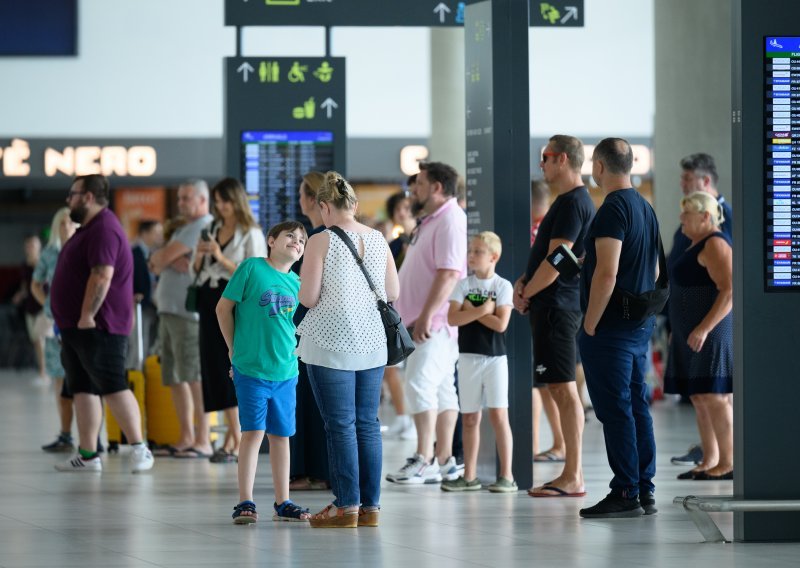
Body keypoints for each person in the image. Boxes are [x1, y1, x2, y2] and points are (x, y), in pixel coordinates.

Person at [297, 171, 399, 528]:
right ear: (353, 205)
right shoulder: (379, 239)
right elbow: (393, 292)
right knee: (367, 424)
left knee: (340, 426)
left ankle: (346, 506)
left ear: (324, 206)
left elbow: (308, 297)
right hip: (371, 343)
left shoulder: (319, 241)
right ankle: (370, 507)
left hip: (329, 343)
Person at [578, 138, 660, 518]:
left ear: (598, 166)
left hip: (611, 329)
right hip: (639, 324)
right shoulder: (645, 206)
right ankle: (644, 488)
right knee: (636, 405)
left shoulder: (612, 210)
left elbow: (606, 274)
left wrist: (590, 322)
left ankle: (625, 490)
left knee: (615, 410)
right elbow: (653, 269)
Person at [50, 174, 154, 473]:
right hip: (77, 328)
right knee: (82, 388)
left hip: (99, 325)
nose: (68, 200)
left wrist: (87, 315)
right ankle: (88, 454)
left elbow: (102, 274)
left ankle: (140, 448)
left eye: (73, 194)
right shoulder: (89, 229)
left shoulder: (104, 228)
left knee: (112, 386)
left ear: (88, 196)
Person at [217, 220, 312, 524]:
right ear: (271, 240)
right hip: (251, 370)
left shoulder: (298, 285)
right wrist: (233, 351)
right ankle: (245, 501)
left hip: (286, 372)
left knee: (281, 436)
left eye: (301, 240)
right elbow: (223, 309)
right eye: (290, 236)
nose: (296, 242)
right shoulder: (251, 268)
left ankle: (283, 501)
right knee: (253, 433)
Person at [517, 136, 595, 498]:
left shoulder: (572, 202)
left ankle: (573, 475)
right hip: (553, 308)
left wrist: (528, 292)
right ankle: (570, 472)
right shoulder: (568, 202)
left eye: (545, 157)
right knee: (559, 388)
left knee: (564, 390)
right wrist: (525, 283)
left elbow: (559, 258)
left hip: (558, 309)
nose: (541, 164)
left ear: (563, 159)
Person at [386, 161, 467, 485]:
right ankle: (445, 459)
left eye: (418, 184)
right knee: (443, 389)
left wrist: (426, 317)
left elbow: (449, 273)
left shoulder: (449, 219)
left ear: (436, 187)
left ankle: (424, 458)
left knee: (419, 385)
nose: (413, 190)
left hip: (431, 323)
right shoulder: (432, 220)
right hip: (428, 321)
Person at [193, 177, 267, 463]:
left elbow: (257, 272)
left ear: (236, 200)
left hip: (235, 301)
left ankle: (238, 438)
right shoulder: (210, 228)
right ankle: (231, 436)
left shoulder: (250, 232)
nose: (220, 206)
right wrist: (201, 257)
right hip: (208, 297)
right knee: (214, 367)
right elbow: (195, 270)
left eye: (225, 200)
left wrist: (220, 257)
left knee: (234, 363)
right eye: (217, 201)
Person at [667, 153, 733, 468]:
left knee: (715, 396)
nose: (682, 221)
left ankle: (729, 462)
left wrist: (705, 327)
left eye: (687, 216)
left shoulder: (718, 237)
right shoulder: (691, 237)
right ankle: (711, 459)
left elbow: (730, 287)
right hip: (689, 330)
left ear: (705, 216)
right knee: (699, 395)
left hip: (710, 330)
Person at [441, 231, 516, 493]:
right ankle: (469, 476)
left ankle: (507, 476)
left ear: (493, 256)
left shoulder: (503, 286)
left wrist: (470, 313)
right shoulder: (462, 284)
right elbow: (452, 318)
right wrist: (484, 310)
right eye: (470, 251)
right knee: (470, 417)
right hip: (468, 358)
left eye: (478, 252)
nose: (471, 256)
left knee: (498, 415)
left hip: (495, 360)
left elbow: (501, 324)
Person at [148, 181, 214, 458]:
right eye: (179, 197)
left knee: (193, 376)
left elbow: (160, 258)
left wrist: (163, 258)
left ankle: (202, 438)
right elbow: (154, 262)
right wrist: (161, 258)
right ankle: (186, 435)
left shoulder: (201, 227)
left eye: (186, 198)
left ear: (202, 200)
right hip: (170, 311)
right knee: (174, 376)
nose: (181, 203)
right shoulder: (185, 229)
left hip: (187, 316)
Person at [289, 171, 331, 491]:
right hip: (330, 331)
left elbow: (308, 293)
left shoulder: (316, 240)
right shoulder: (334, 237)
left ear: (311, 199)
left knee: (307, 398)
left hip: (309, 328)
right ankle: (321, 468)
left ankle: (308, 468)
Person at [33, 208, 80, 452]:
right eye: (61, 223)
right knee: (60, 381)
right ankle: (65, 433)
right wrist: (48, 303)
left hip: (80, 322)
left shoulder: (83, 250)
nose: (66, 227)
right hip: (56, 323)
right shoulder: (50, 254)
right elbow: (36, 282)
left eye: (70, 223)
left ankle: (92, 439)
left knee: (84, 381)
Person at [382, 187, 417, 440]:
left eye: (406, 207)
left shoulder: (420, 238)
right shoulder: (394, 245)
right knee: (390, 367)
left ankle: (412, 420)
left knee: (416, 371)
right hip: (395, 313)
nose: (402, 213)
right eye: (398, 209)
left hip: (416, 313)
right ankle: (404, 417)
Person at [12, 235, 45, 383]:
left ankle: (45, 373)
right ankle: (43, 372)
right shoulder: (24, 266)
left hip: (42, 307)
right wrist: (20, 295)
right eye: (28, 245)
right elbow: (26, 286)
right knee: (36, 341)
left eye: (32, 245)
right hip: (29, 308)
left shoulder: (43, 264)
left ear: (38, 247)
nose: (30, 248)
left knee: (41, 340)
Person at [132, 220, 163, 357]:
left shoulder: (157, 254)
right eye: (156, 232)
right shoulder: (133, 254)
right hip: (139, 305)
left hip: (155, 306)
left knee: (151, 344)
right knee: (139, 343)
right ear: (144, 234)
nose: (159, 236)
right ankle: (135, 375)